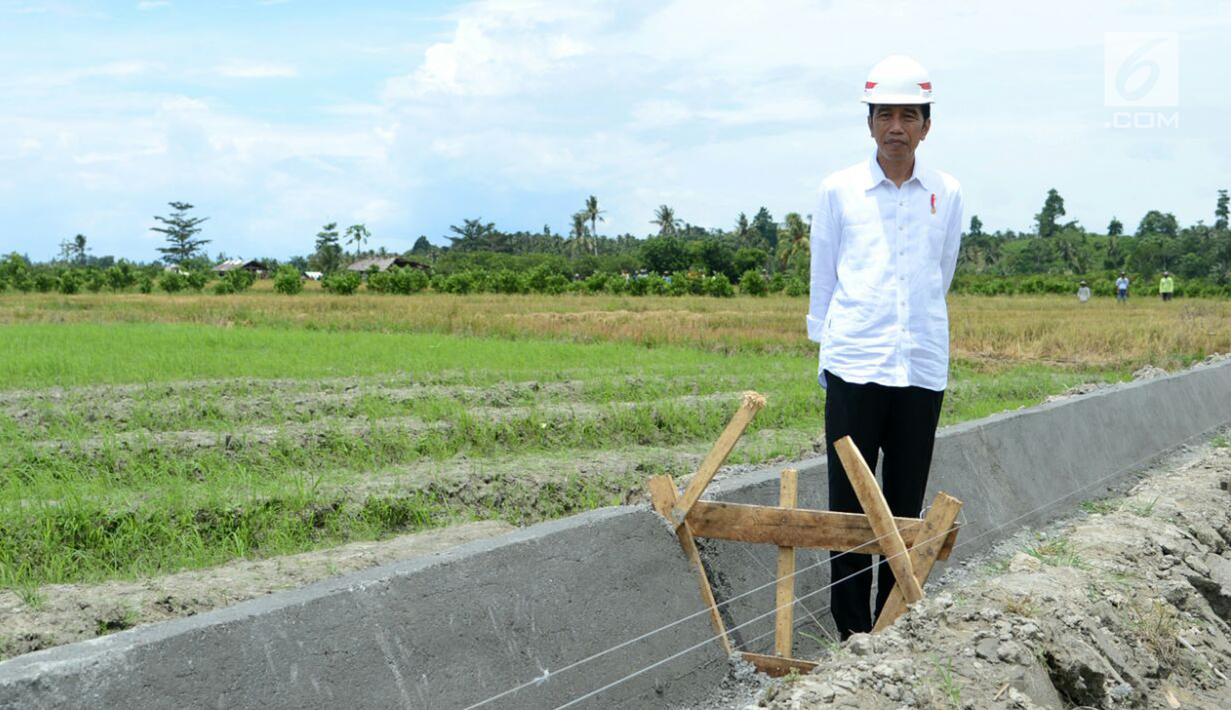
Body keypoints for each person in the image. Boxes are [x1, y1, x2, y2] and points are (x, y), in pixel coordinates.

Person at [807, 55, 962, 639]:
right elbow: (824, 277)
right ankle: (851, 636)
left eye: (909, 115)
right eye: (885, 114)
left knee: (902, 504)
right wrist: (826, 350)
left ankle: (890, 631)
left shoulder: (946, 193)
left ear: (927, 124)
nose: (896, 126)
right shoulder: (839, 190)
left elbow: (938, 274)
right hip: (854, 363)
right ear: (870, 122)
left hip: (920, 367)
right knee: (849, 510)